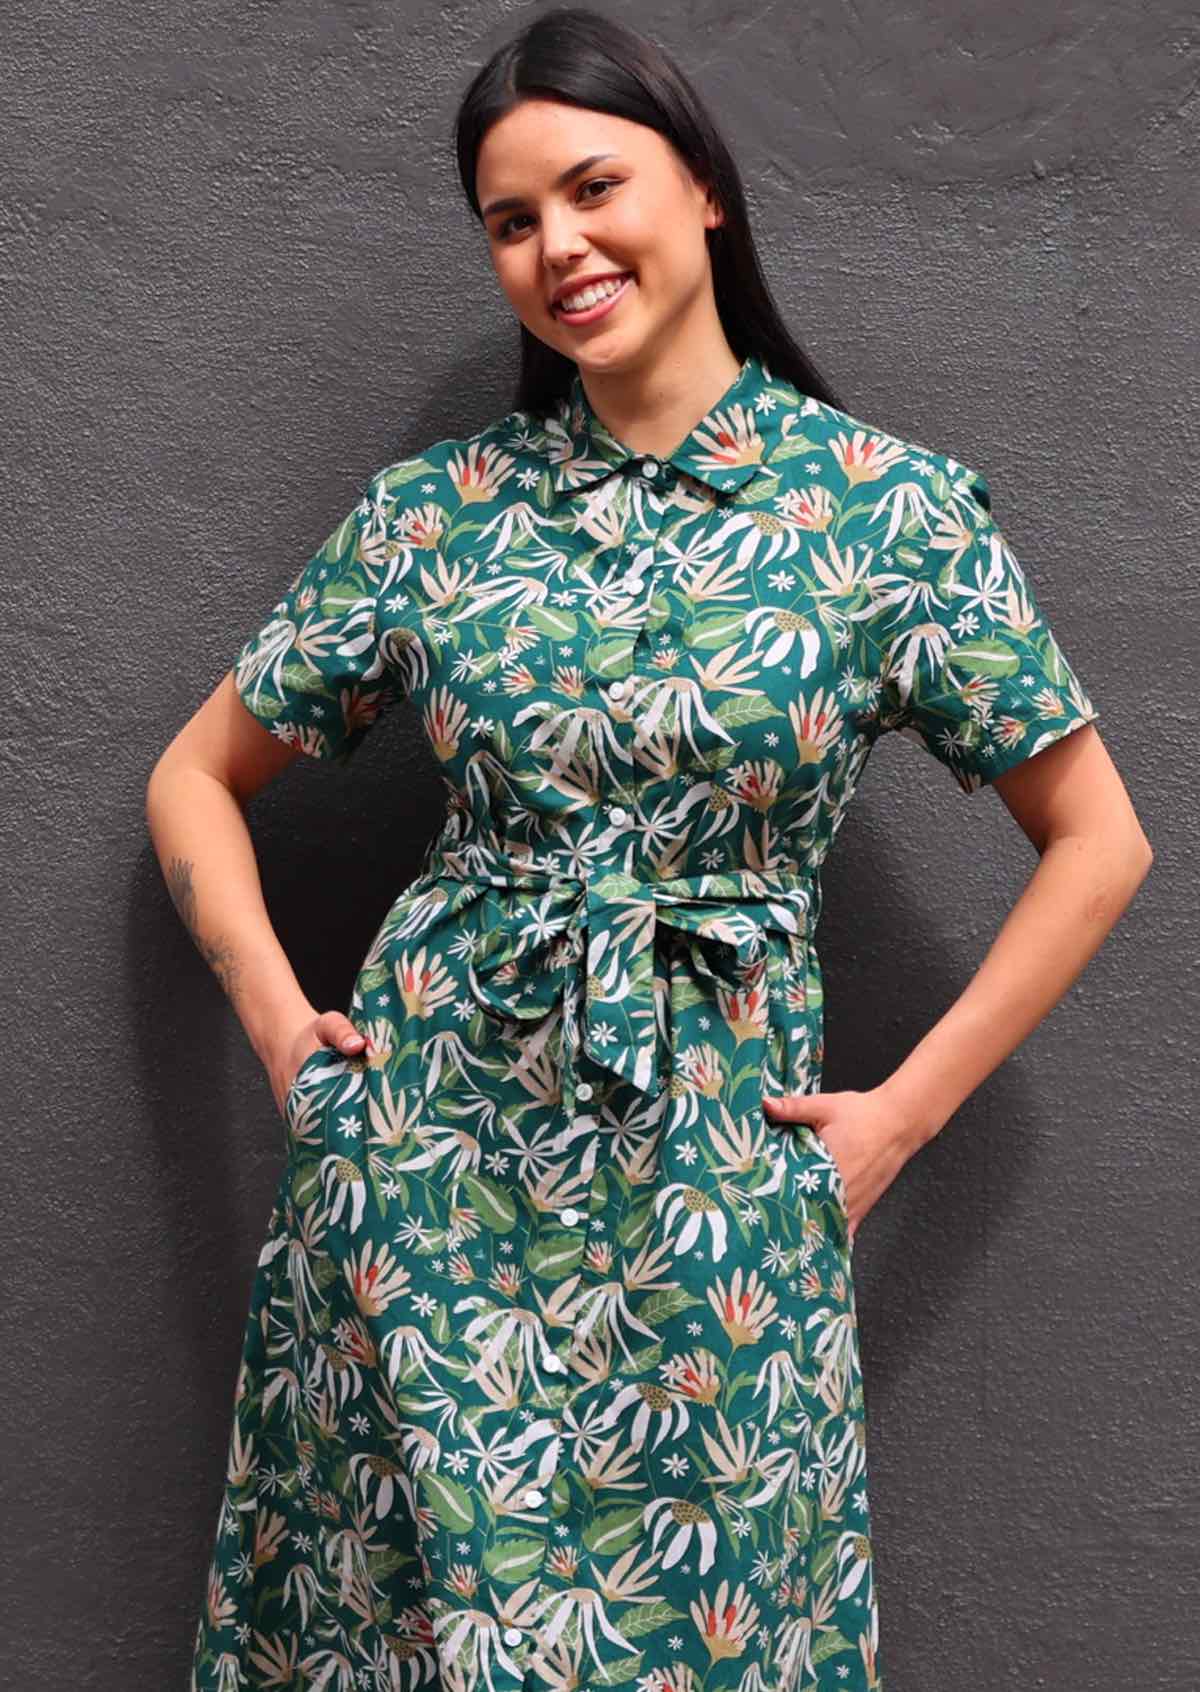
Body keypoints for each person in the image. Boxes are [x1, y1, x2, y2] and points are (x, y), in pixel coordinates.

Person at [147, 9, 1152, 1690]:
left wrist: (896, 1122)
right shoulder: (437, 516)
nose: (558, 248)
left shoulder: (886, 515)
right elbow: (196, 776)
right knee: (398, 1629)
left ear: (703, 191)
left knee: (712, 1624)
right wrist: (276, 1025)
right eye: (511, 223)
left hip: (717, 1201)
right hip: (426, 1176)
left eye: (591, 187)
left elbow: (1099, 842)